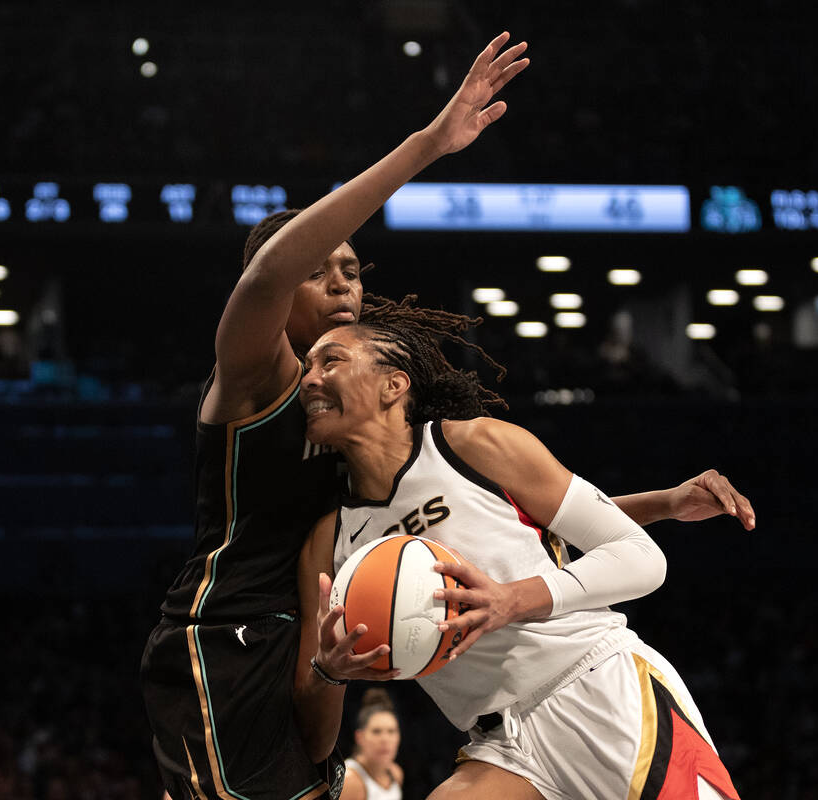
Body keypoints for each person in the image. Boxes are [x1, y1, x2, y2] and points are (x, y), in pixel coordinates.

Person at [140, 32, 532, 800]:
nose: (342, 284)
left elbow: (486, 516)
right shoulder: (254, 378)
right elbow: (269, 271)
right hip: (226, 639)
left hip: (317, 650)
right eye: (318, 272)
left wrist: (645, 509)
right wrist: (427, 145)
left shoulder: (365, 412)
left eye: (351, 270)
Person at [295, 312, 747, 800]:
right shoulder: (330, 542)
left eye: (331, 361)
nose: (310, 379)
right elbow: (314, 743)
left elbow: (640, 557)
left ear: (394, 384)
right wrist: (330, 674)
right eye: (307, 367)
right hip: (503, 745)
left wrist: (509, 600)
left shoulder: (471, 444)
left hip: (598, 691)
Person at [341, 689, 404, 800]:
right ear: (359, 737)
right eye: (376, 731)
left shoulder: (396, 773)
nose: (385, 739)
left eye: (391, 731)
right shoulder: (349, 781)